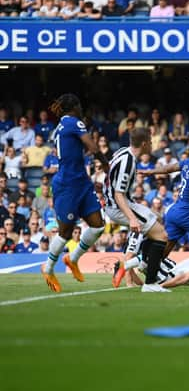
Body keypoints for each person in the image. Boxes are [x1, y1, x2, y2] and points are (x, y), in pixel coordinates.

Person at [41, 94, 107, 293]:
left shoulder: (62, 125)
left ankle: (73, 258)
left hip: (81, 182)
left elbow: (75, 150)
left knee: (98, 225)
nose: (81, 110)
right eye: (80, 106)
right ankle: (48, 268)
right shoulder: (73, 122)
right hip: (68, 185)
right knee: (65, 232)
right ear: (75, 107)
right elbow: (92, 146)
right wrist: (105, 163)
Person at [105, 128, 173, 292]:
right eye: (150, 142)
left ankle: (132, 264)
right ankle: (149, 283)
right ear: (143, 144)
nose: (152, 145)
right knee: (162, 235)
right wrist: (132, 219)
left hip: (125, 202)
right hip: (119, 206)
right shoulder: (128, 162)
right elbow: (118, 194)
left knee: (156, 219)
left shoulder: (123, 152)